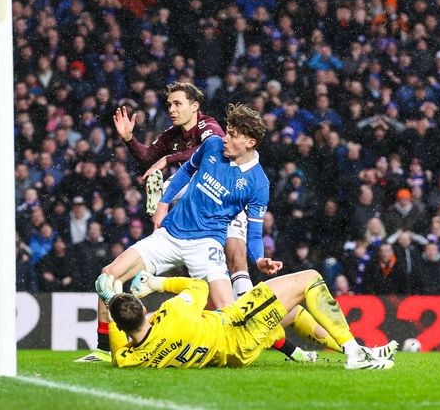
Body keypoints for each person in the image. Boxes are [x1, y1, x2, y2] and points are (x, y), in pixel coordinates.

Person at [81, 104, 294, 362]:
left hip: (206, 246)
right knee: (107, 277)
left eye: (233, 135)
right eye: (227, 131)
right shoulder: (213, 145)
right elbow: (185, 173)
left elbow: (255, 231)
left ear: (250, 142)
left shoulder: (259, 183)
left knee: (231, 313)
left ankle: (282, 348)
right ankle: (104, 349)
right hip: (170, 236)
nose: (225, 138)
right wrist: (162, 206)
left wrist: (259, 259)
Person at [101, 269, 398, 369]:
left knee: (291, 309)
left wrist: (111, 303)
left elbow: (117, 349)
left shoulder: (130, 358)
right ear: (143, 309)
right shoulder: (172, 315)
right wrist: (156, 283)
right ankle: (354, 353)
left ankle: (359, 349)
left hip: (233, 353)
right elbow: (199, 287)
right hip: (237, 325)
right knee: (310, 279)